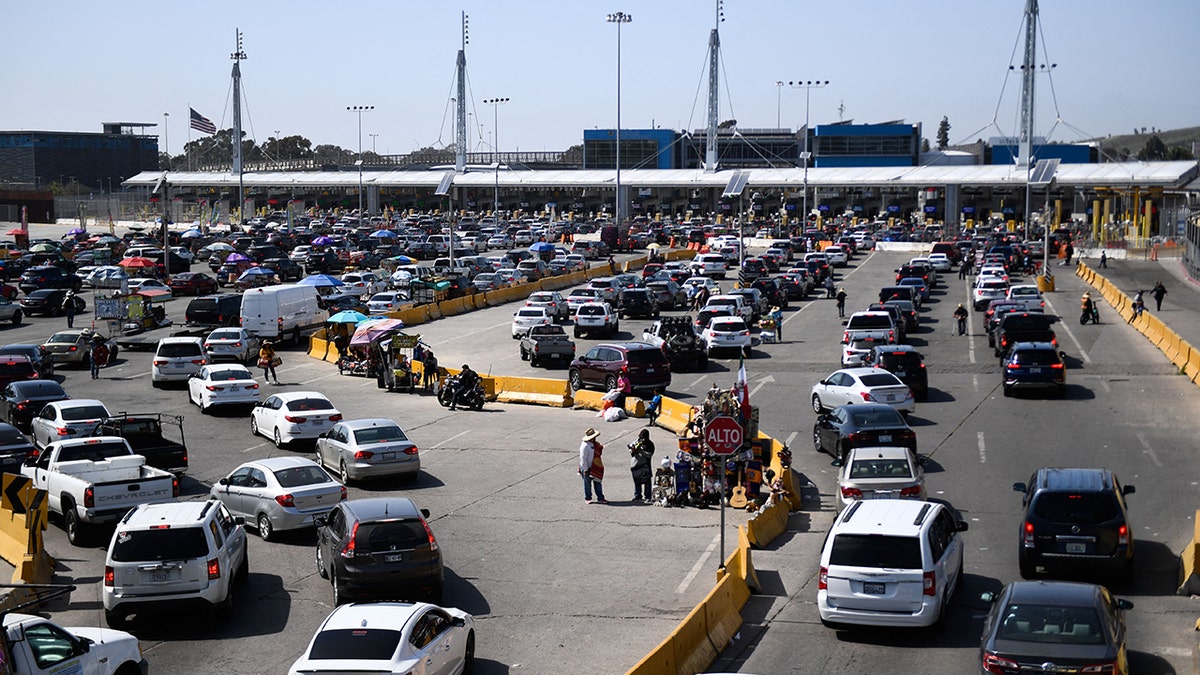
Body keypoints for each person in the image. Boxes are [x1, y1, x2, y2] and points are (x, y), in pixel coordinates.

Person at [578, 428, 607, 504]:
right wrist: (586, 469)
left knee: (598, 482)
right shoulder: (585, 446)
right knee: (587, 484)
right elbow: (583, 459)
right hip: (587, 467)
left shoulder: (595, 444)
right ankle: (588, 498)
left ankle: (600, 498)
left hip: (594, 466)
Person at [629, 429, 655, 503]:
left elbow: (649, 455)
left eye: (643, 438)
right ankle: (637, 496)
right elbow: (631, 451)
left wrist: (641, 451)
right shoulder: (637, 441)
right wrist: (633, 450)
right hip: (636, 465)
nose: (642, 439)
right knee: (637, 481)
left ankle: (648, 496)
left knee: (647, 481)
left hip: (645, 465)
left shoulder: (650, 444)